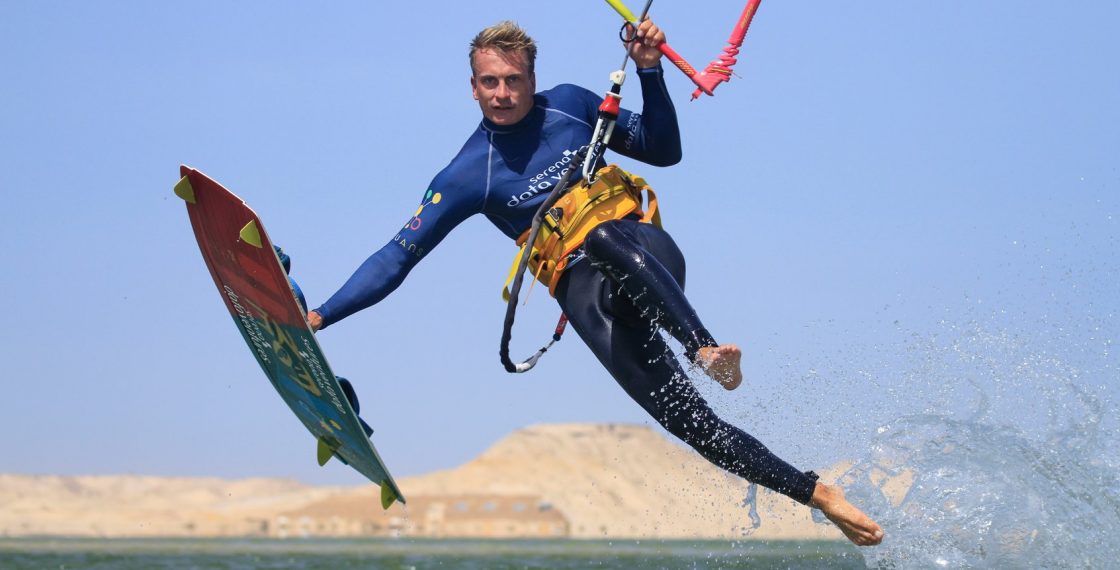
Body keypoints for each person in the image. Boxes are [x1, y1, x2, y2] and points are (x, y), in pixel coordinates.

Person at [306, 20, 883, 546]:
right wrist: (318, 317)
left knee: (602, 238)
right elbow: (395, 257)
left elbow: (664, 150)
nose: (502, 94)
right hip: (587, 299)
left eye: (512, 80)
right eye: (489, 83)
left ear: (533, 78)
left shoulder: (576, 106)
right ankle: (819, 495)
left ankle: (704, 348)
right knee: (693, 426)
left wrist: (651, 70)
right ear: (473, 88)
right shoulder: (466, 174)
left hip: (646, 254)